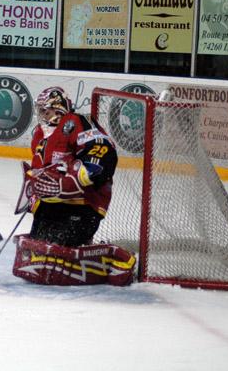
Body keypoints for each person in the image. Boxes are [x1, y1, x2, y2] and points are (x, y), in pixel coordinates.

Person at [12, 86, 136, 286]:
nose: (42, 116)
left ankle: (114, 258)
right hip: (54, 205)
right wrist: (35, 195)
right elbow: (39, 173)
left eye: (47, 110)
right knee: (40, 245)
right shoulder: (40, 136)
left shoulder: (76, 122)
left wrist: (71, 181)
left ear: (59, 108)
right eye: (41, 111)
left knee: (60, 248)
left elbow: (103, 151)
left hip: (84, 204)